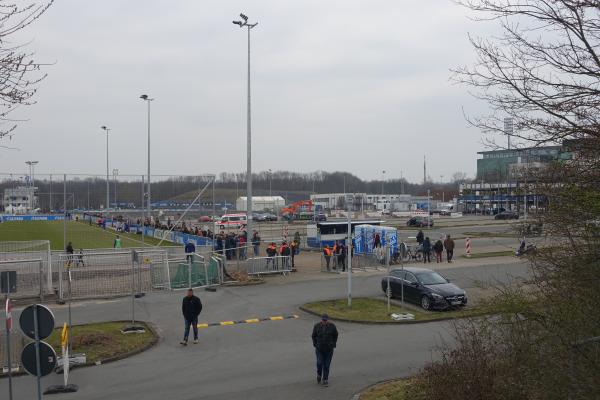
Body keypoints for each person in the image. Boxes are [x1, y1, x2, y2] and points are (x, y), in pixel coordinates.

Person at [311, 314, 338, 386]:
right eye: (323, 320)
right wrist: (315, 344)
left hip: (329, 349)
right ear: (321, 320)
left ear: (327, 320)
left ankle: (325, 379)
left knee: (326, 365)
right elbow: (313, 336)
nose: (324, 321)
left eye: (325, 320)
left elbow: (336, 335)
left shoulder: (332, 326)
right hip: (319, 349)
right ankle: (319, 374)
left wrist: (333, 344)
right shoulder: (317, 326)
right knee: (319, 363)